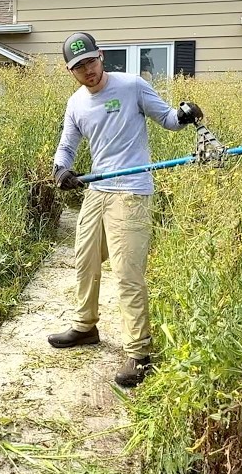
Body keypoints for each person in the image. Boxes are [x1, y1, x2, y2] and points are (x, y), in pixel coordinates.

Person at [47, 31, 203, 388]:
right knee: (84, 260)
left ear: (101, 56)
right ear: (70, 71)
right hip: (97, 190)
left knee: (127, 272)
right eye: (78, 66)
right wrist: (61, 170)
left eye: (90, 61)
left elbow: (168, 119)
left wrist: (186, 114)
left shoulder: (132, 86)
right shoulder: (76, 104)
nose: (87, 70)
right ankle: (85, 327)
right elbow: (66, 146)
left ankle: (139, 353)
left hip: (131, 192)